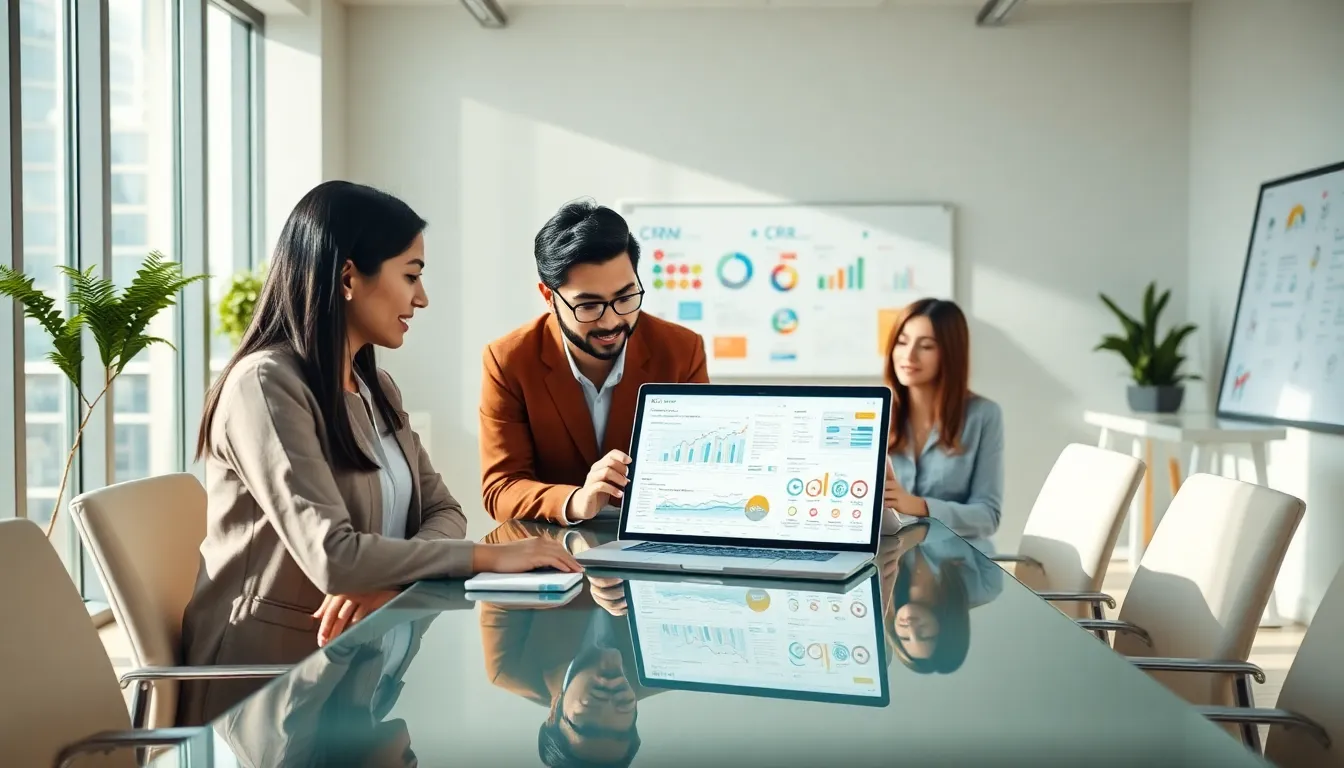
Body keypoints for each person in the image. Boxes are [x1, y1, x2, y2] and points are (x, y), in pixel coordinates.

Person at [179, 181, 579, 726]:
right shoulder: (266, 386)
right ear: (348, 276)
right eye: (411, 275)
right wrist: (488, 556)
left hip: (359, 670)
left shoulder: (375, 387)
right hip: (269, 693)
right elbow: (333, 558)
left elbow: (446, 512)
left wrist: (388, 579)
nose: (422, 297)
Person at [479, 199, 708, 525]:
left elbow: (702, 470)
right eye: (589, 306)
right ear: (549, 297)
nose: (612, 321)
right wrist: (576, 501)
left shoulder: (682, 350)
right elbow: (500, 489)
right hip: (553, 550)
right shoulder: (509, 360)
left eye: (626, 298)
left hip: (653, 535)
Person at [880, 298, 1005, 539]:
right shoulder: (876, 415)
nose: (909, 355)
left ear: (949, 353)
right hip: (892, 559)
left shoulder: (984, 416)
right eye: (902, 342)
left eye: (926, 346)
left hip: (958, 563)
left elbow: (988, 517)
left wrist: (919, 506)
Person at [879, 520, 1003, 675]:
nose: (910, 628)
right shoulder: (986, 587)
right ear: (947, 631)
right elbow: (974, 528)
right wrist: (914, 536)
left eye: (905, 638)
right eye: (924, 635)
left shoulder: (879, 592)